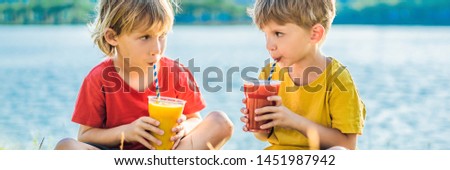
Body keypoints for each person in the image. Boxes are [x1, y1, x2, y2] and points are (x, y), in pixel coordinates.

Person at [55, 0, 233, 150]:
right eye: (145, 37)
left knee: (220, 122)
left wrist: (184, 128)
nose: (157, 49)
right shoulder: (99, 78)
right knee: (66, 147)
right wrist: (127, 132)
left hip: (167, 155)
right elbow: (85, 136)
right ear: (112, 36)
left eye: (162, 36)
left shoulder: (176, 73)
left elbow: (195, 120)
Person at [240, 0, 366, 150]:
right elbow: (264, 137)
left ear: (314, 34)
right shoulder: (269, 74)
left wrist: (292, 120)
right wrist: (259, 123)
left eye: (278, 33)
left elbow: (347, 145)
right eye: (265, 34)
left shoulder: (338, 79)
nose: (269, 46)